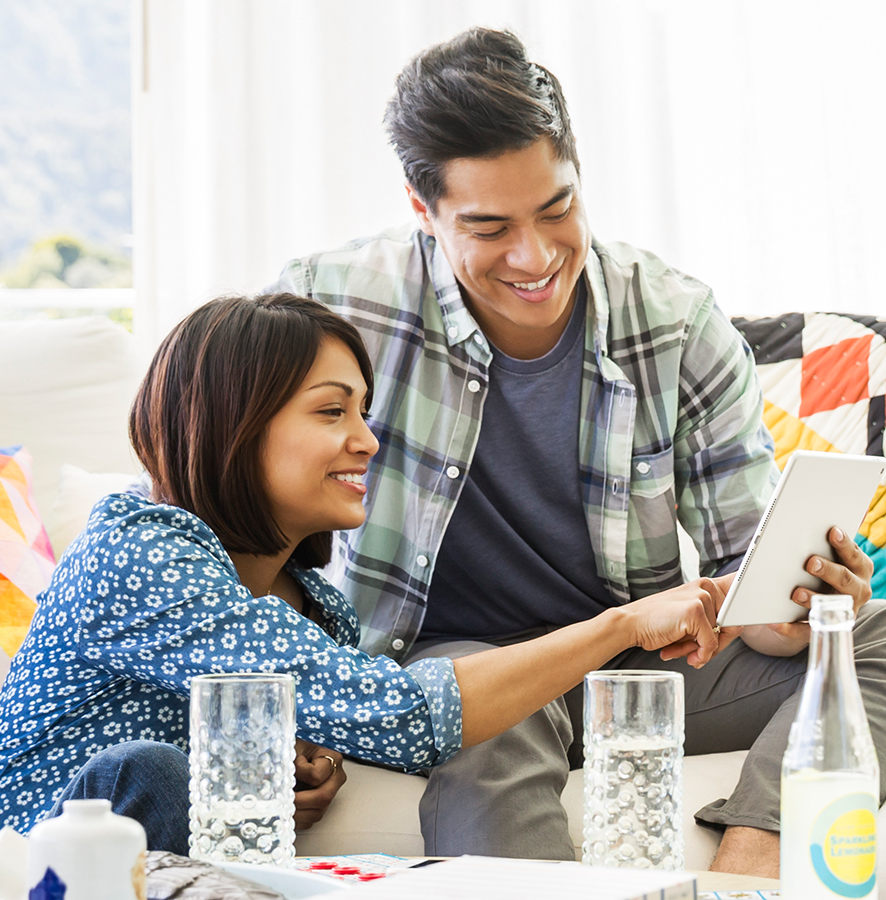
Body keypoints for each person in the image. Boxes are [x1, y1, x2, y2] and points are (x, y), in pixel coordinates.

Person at [261, 27, 880, 876]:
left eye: (557, 209)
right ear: (422, 208)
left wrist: (792, 604)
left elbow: (750, 586)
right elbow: (229, 527)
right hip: (459, 673)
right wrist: (295, 708)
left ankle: (748, 872)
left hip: (638, 660)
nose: (535, 255)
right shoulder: (332, 306)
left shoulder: (675, 322)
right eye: (489, 227)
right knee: (487, 723)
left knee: (873, 631)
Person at [0, 293, 734, 859]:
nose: (366, 441)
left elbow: (346, 717)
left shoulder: (318, 606)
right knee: (155, 772)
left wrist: (308, 761)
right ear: (234, 427)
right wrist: (622, 624)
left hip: (172, 871)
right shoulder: (140, 552)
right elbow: (406, 714)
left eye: (363, 413)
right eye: (330, 412)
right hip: (15, 873)